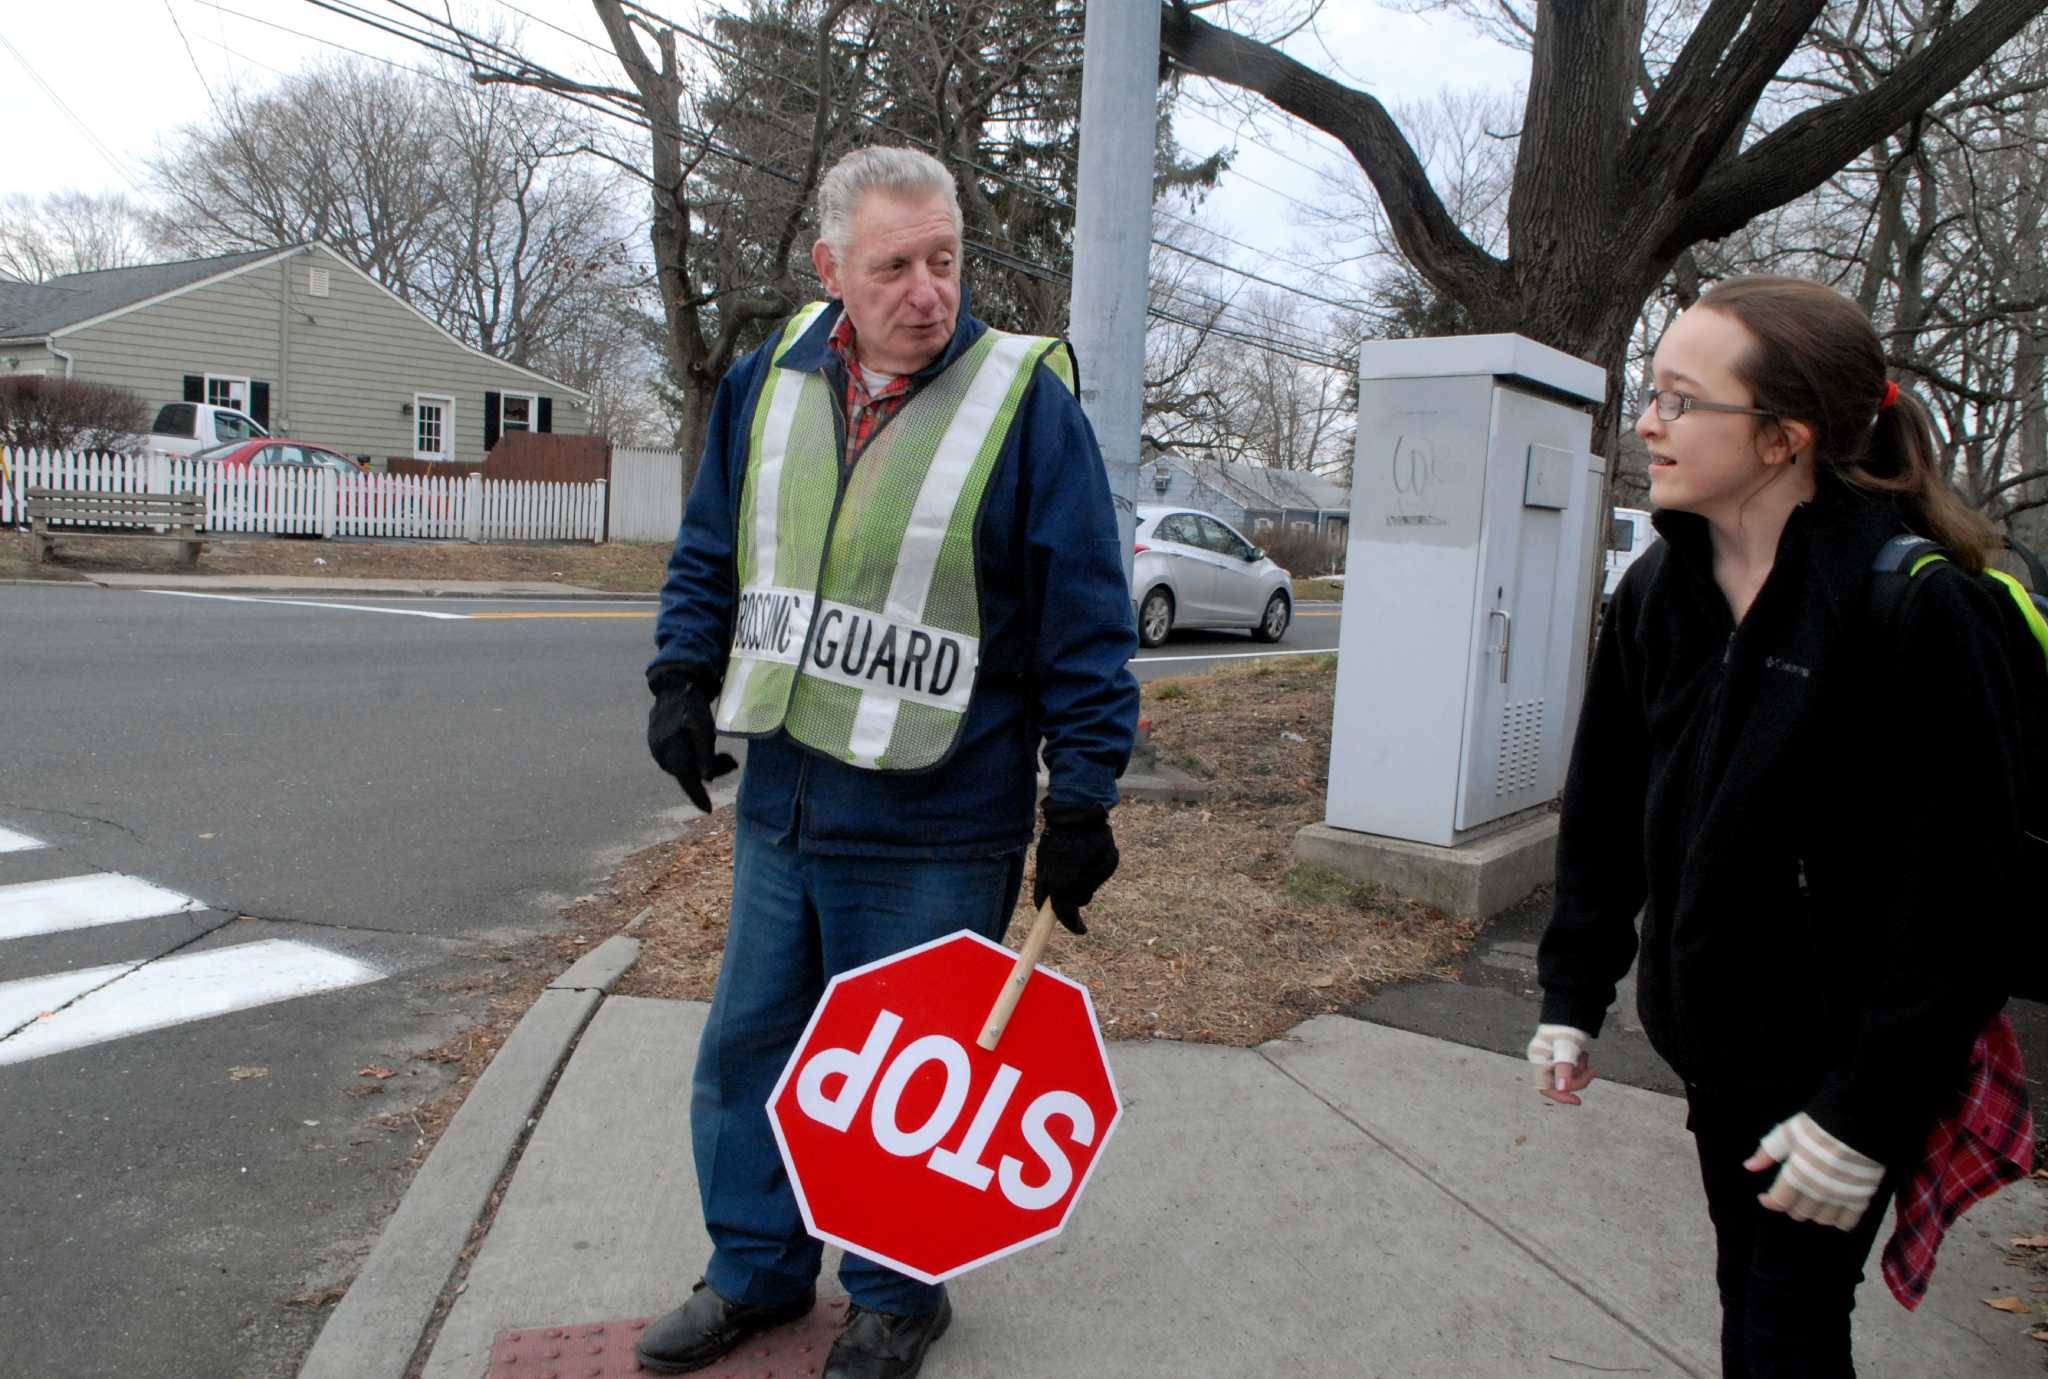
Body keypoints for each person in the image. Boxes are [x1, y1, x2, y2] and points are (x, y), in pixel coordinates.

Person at [639, 145, 1138, 1379]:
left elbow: (1085, 621)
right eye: (893, 266)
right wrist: (680, 675)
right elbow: (714, 547)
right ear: (830, 268)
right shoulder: (767, 377)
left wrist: (1080, 798)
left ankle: (895, 1296)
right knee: (750, 1051)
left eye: (944, 260)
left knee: (906, 1080)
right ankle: (754, 1271)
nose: (927, 291)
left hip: (939, 819)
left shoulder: (1024, 403)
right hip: (787, 799)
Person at [1527, 274, 2021, 1377]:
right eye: (1651, 393)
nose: (1646, 423)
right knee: (1747, 1296)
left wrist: (1862, 1113)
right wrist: (1572, 991)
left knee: (1786, 1325)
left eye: (1679, 399)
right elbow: (1604, 808)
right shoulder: (1658, 589)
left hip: (1842, 1065)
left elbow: (1964, 902)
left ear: (1780, 438)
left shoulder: (1916, 608)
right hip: (1716, 1048)